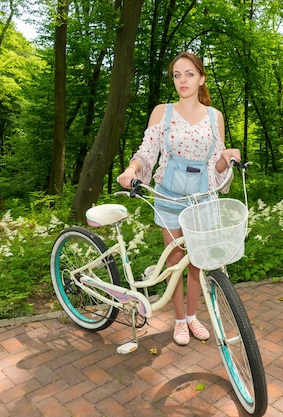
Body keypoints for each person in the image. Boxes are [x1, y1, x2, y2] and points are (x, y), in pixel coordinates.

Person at [118, 51, 241, 346]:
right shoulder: (163, 112)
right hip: (169, 196)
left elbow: (216, 165)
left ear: (201, 78)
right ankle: (178, 321)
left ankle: (192, 316)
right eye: (177, 75)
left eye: (189, 74)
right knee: (175, 260)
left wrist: (227, 157)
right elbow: (147, 152)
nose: (182, 80)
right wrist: (132, 169)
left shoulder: (215, 117)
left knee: (197, 262)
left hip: (202, 198)